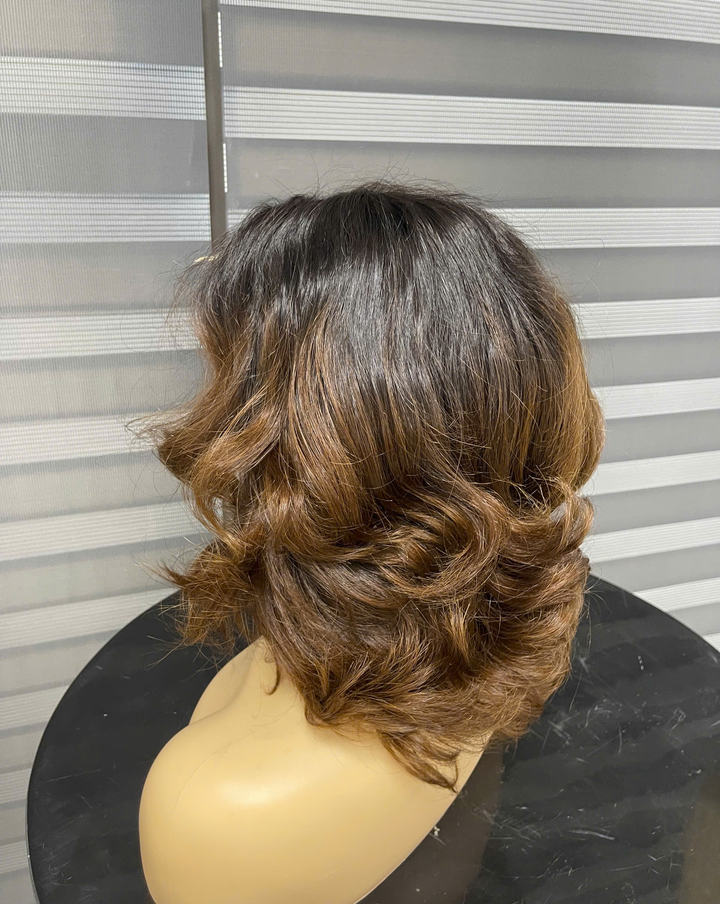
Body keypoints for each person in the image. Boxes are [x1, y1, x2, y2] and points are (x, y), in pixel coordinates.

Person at [136, 180, 605, 904]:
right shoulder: (482, 642)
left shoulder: (210, 812)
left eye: (232, 381)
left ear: (306, 437)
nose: (211, 413)